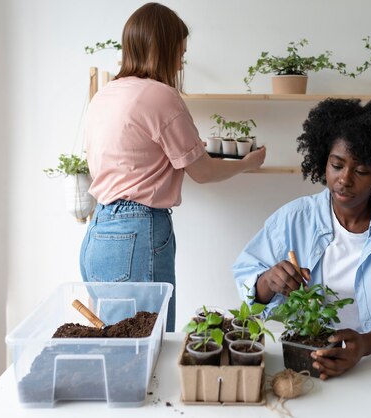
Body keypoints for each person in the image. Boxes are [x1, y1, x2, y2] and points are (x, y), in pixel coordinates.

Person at [80, 3, 266, 331]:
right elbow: (203, 171)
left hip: (99, 232)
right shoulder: (161, 97)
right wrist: (246, 164)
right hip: (137, 231)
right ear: (163, 49)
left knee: (114, 342)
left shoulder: (105, 95)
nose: (181, 61)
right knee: (150, 344)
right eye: (179, 53)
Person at [233, 96, 371, 379]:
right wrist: (266, 282)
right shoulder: (293, 218)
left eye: (361, 171)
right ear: (323, 160)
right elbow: (246, 280)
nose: (345, 179)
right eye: (337, 165)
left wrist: (364, 344)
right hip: (304, 358)